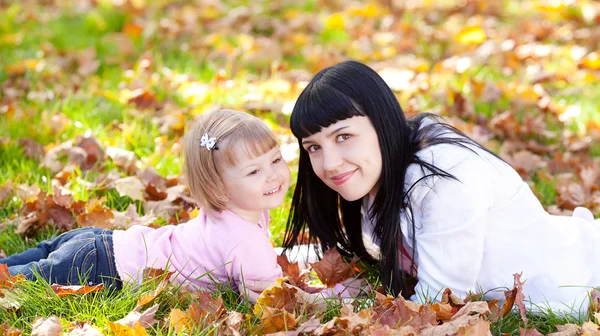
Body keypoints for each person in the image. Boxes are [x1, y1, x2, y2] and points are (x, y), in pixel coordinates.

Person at [283, 60, 600, 315]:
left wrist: (326, 305)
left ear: (381, 122)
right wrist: (263, 261)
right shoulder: (378, 176)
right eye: (314, 147)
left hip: (585, 272)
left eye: (343, 137)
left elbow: (439, 301)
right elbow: (363, 252)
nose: (330, 164)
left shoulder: (444, 176)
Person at [2, 110, 359, 302]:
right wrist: (336, 296)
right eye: (254, 171)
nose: (274, 176)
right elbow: (273, 300)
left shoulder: (238, 208)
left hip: (100, 242)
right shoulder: (243, 239)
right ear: (218, 185)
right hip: (101, 269)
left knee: (14, 266)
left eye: (275, 160)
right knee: (14, 281)